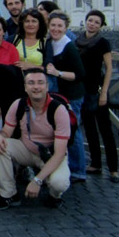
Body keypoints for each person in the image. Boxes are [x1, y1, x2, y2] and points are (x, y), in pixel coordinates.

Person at [0, 69, 71, 210]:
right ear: (25, 87)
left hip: (51, 154)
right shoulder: (18, 105)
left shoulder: (58, 110)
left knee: (59, 183)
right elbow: (6, 132)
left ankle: (54, 196)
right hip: (27, 149)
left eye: (40, 83)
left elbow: (59, 154)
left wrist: (37, 180)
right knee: (0, 145)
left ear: (47, 86)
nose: (36, 87)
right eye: (31, 83)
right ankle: (8, 194)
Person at [75, 10, 119, 183]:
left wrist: (104, 92)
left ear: (100, 25)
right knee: (90, 128)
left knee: (105, 129)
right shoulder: (77, 41)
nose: (92, 24)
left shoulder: (103, 43)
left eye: (96, 22)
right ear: (85, 21)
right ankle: (95, 164)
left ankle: (114, 169)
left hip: (98, 89)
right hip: (82, 90)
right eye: (90, 20)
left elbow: (108, 68)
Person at [44, 11, 87, 183]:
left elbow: (80, 74)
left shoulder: (68, 46)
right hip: (59, 95)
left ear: (65, 28)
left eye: (59, 26)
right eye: (53, 25)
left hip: (72, 95)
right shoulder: (50, 42)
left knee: (73, 132)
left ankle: (79, 170)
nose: (55, 29)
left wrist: (58, 73)